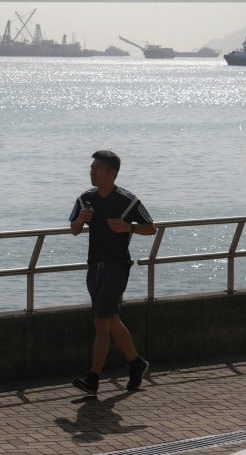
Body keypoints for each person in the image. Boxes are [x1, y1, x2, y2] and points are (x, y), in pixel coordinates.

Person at [69, 150, 156, 395]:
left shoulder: (126, 200)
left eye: (97, 168)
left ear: (112, 173)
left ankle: (93, 379)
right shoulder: (86, 199)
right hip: (94, 267)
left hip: (117, 267)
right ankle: (136, 363)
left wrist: (128, 227)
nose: (92, 172)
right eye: (91, 168)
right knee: (111, 320)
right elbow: (74, 229)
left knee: (100, 321)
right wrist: (81, 220)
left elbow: (151, 229)